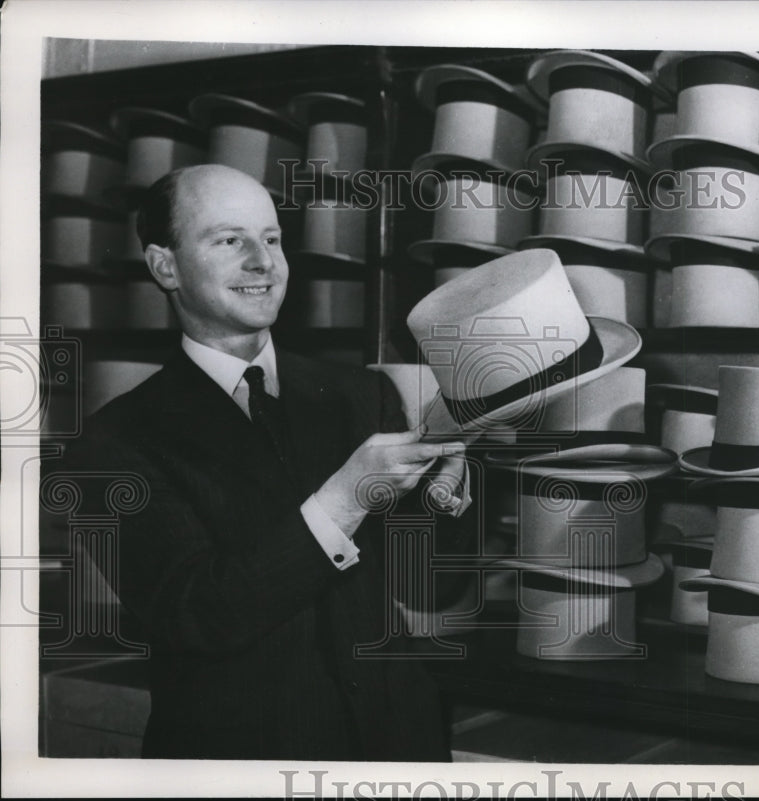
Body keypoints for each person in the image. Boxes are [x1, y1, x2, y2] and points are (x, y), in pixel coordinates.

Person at [69, 164, 470, 760]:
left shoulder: (362, 395)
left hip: (398, 752)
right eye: (230, 240)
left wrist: (443, 499)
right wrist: (345, 497)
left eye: (272, 239)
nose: (263, 262)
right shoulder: (113, 442)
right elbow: (199, 616)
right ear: (165, 267)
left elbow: (430, 588)